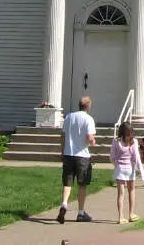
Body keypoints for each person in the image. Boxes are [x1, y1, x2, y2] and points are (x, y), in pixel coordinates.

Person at [57, 95, 96, 224]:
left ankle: (64, 204)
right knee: (82, 184)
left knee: (67, 183)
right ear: (88, 106)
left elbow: (63, 135)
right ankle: (80, 212)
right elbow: (90, 137)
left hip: (68, 154)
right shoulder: (88, 119)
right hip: (82, 156)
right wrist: (93, 142)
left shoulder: (69, 117)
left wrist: (62, 151)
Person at [110, 120, 144, 224]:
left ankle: (120, 217)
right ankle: (131, 214)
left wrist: (117, 165)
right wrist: (141, 172)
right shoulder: (134, 141)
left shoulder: (116, 141)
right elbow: (136, 157)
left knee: (120, 194)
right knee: (131, 191)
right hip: (130, 169)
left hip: (120, 169)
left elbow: (112, 157)